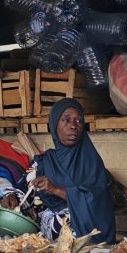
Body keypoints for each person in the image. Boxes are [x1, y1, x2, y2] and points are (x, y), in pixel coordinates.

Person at [31, 98, 116, 243]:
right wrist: (11, 197)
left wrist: (56, 190)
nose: (73, 126)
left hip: (86, 233)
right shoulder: (45, 161)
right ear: (54, 124)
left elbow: (97, 201)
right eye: (67, 120)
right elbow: (26, 192)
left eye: (79, 121)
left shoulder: (92, 163)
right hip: (48, 240)